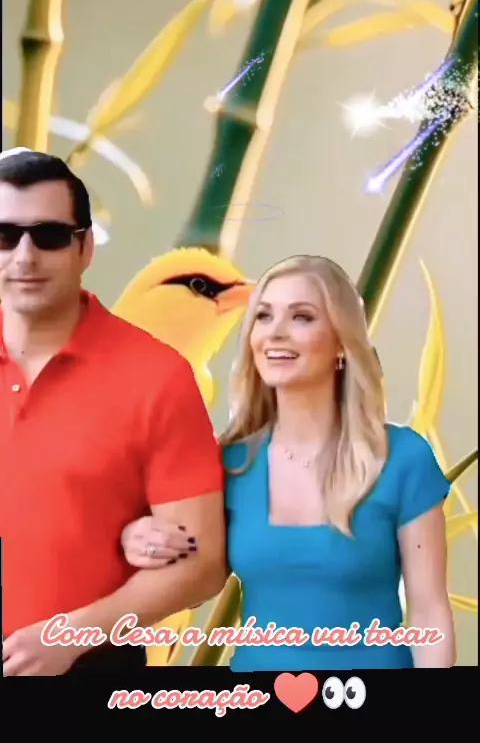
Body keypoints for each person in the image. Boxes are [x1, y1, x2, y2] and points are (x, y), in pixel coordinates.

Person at [122, 254, 456, 670]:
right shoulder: (229, 465)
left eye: (302, 317)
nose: (276, 332)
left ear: (342, 340)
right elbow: (181, 577)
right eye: (263, 316)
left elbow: (430, 611)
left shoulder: (403, 459)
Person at [0, 149, 226, 676]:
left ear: (84, 248)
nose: (25, 257)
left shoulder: (157, 376)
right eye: (5, 237)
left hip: (88, 673)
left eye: (50, 236)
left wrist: (70, 637)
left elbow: (202, 562)